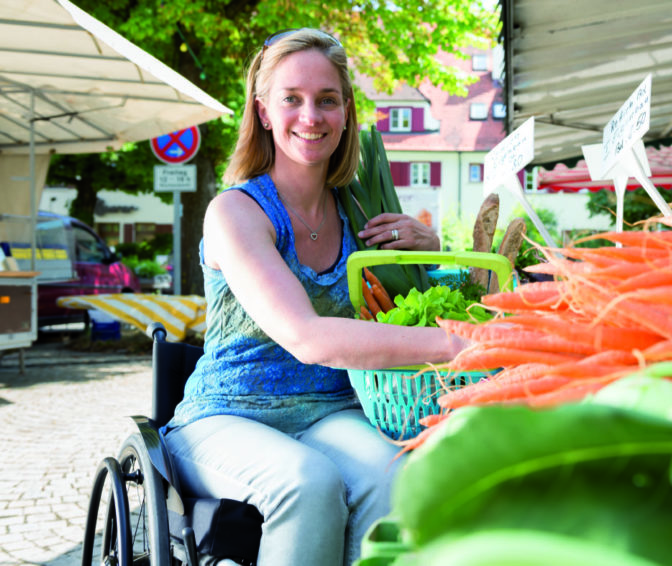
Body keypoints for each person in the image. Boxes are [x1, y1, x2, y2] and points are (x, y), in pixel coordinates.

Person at [162, 28, 465, 566]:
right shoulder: (236, 213)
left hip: (329, 410)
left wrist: (432, 249)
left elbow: (416, 298)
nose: (312, 116)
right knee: (308, 483)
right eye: (292, 99)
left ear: (346, 112)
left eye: (327, 100)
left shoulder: (360, 214)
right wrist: (454, 345)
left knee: (394, 475)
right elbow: (305, 336)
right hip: (226, 415)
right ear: (262, 111)